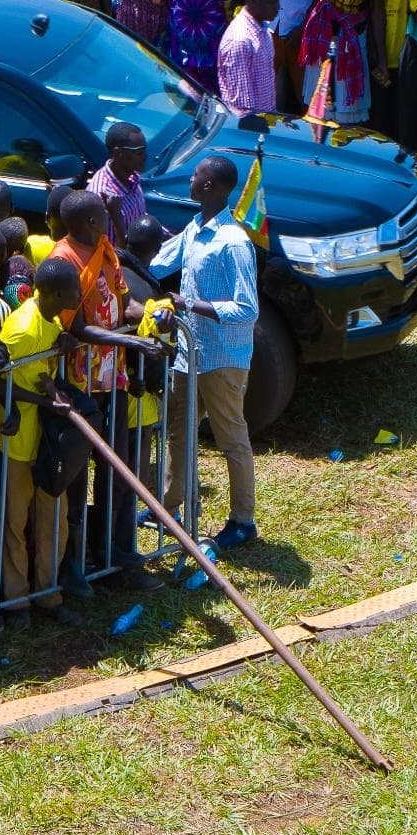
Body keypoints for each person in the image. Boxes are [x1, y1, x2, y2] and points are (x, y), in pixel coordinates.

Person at [150, 156, 260, 552]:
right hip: (188, 354)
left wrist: (190, 304)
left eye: (197, 175)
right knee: (179, 431)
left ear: (211, 186)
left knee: (232, 440)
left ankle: (243, 521)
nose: (191, 180)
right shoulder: (195, 227)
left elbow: (247, 308)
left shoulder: (234, 243)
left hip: (222, 358)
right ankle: (168, 509)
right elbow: (158, 262)